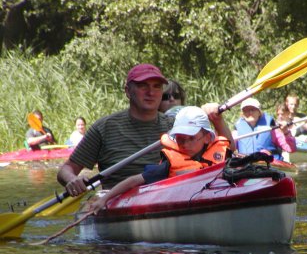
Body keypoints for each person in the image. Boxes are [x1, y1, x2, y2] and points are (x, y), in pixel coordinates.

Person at [57, 63, 234, 196]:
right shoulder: (104, 127)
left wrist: (217, 121)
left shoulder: (177, 125)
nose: (151, 92)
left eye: (157, 87)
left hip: (172, 195)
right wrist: (73, 180)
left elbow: (228, 153)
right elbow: (65, 170)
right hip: (121, 200)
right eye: (143, 86)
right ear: (128, 91)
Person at [89, 106, 232, 214]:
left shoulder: (222, 155)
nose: (186, 145)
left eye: (192, 138)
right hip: (183, 206)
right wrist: (104, 199)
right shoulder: (169, 164)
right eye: (181, 140)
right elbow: (134, 180)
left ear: (207, 137)